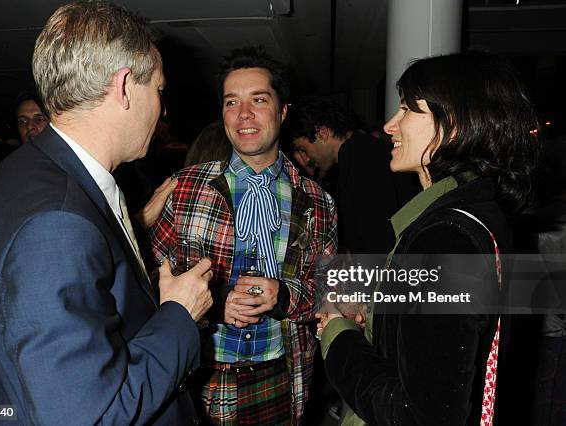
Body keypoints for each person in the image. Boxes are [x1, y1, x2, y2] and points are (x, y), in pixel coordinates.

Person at [0, 2, 213, 425]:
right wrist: (179, 313)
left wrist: (131, 226)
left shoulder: (30, 169)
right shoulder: (56, 225)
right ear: (123, 88)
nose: (163, 108)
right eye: (158, 89)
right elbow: (94, 415)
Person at [317, 51, 539, 425]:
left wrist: (337, 334)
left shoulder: (445, 238)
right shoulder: (469, 215)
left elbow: (418, 415)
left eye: (406, 109)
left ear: (454, 123)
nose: (390, 125)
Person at [149, 46, 338, 425]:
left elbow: (328, 291)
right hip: (199, 372)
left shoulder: (318, 201)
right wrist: (214, 301)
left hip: (283, 376)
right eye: (232, 102)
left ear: (283, 112)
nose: (244, 114)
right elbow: (148, 279)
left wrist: (282, 294)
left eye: (259, 100)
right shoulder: (186, 187)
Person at [289, 96, 419, 254]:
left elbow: (376, 237)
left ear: (322, 133)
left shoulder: (361, 158)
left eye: (303, 148)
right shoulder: (360, 152)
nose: (307, 158)